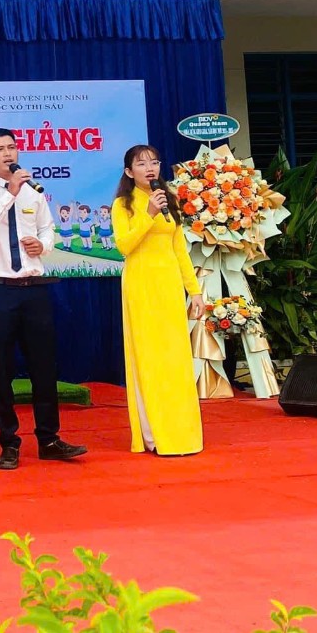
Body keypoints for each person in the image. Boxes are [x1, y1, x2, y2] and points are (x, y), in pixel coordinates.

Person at [0, 128, 86, 471]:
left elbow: (48, 229)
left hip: (34, 288)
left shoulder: (34, 192)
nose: (8, 154)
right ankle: (9, 443)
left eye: (12, 147)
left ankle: (49, 439)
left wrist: (42, 245)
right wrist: (9, 194)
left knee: (44, 366)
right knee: (1, 369)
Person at [112, 145, 205, 456]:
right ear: (129, 172)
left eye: (154, 162)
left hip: (169, 285)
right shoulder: (123, 205)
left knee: (175, 358)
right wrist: (148, 214)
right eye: (141, 164)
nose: (149, 168)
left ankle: (181, 431)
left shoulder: (169, 200)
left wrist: (194, 290)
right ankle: (153, 434)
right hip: (141, 285)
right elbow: (125, 246)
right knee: (149, 357)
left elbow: (179, 250)